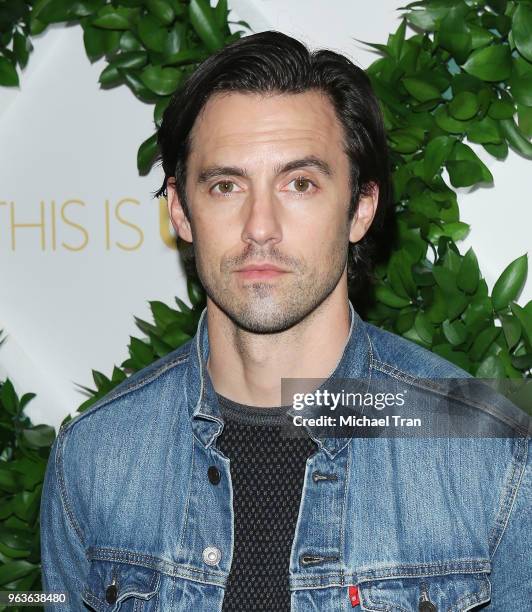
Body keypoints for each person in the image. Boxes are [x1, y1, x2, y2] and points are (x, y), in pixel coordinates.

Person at [40, 31, 531, 611]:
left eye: (300, 184)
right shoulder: (95, 455)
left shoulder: (492, 450)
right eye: (226, 185)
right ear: (180, 209)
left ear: (361, 208)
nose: (260, 226)